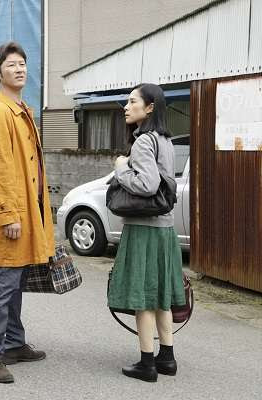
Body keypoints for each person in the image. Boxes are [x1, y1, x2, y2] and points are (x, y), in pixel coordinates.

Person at [0, 41, 55, 384]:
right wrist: (8, 214)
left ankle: (13, 343)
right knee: (6, 282)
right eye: (11, 65)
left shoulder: (21, 109)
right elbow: (0, 169)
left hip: (29, 210)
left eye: (22, 63)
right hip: (15, 213)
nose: (20, 68)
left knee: (16, 283)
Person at [107, 83, 186, 382]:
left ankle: (146, 364)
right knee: (161, 296)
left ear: (150, 107)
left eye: (132, 102)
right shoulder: (165, 141)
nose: (126, 107)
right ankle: (167, 358)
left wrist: (120, 168)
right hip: (165, 228)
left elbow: (147, 185)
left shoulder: (143, 141)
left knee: (143, 296)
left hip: (144, 230)